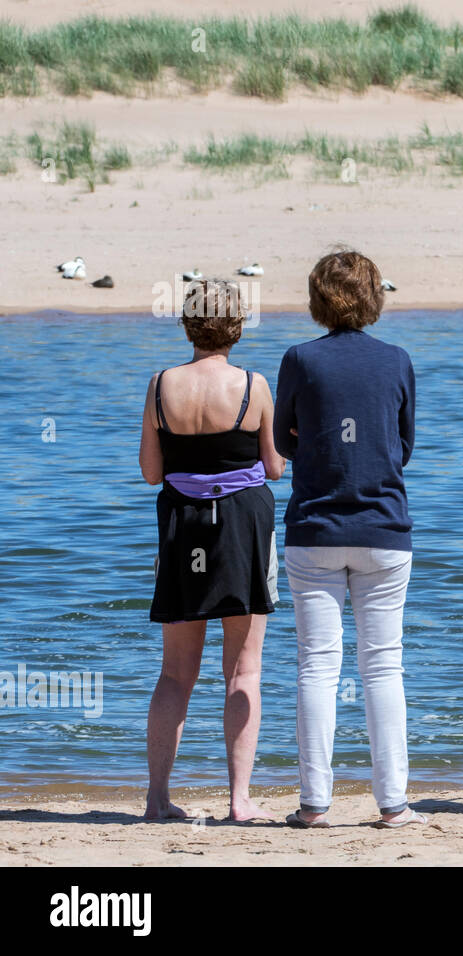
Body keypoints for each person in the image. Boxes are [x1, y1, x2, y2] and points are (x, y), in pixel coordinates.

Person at [273, 250, 421, 829]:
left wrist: (312, 444)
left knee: (317, 666)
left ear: (317, 301)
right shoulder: (396, 360)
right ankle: (394, 805)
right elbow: (403, 446)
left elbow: (285, 444)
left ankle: (314, 804)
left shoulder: (299, 360)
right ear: (373, 298)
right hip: (384, 528)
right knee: (383, 667)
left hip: (314, 527)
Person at [139, 279, 283, 822]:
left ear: (186, 324)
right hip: (242, 528)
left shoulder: (160, 385)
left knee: (175, 673)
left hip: (181, 526)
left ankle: (156, 799)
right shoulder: (253, 384)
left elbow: (153, 472)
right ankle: (239, 801)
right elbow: (272, 467)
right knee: (243, 671)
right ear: (238, 326)